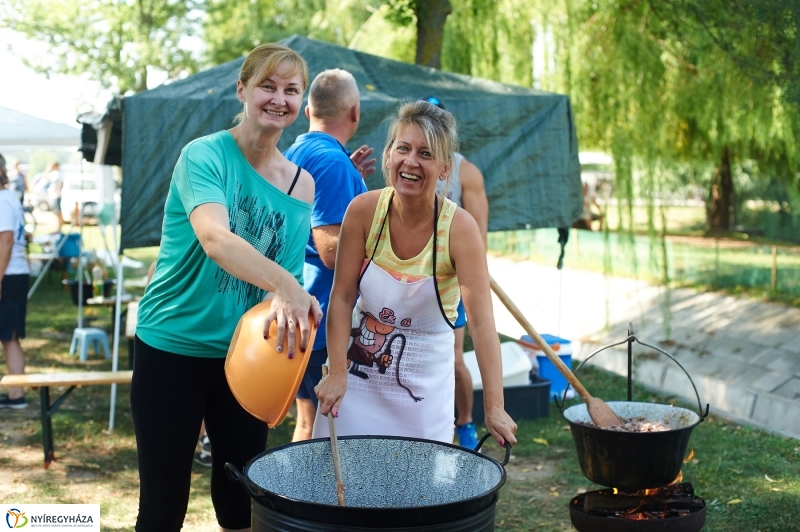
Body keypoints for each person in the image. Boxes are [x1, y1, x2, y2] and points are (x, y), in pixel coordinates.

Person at [130, 43, 322, 532]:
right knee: (163, 506)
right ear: (243, 90)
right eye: (268, 86)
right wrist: (286, 287)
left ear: (301, 103)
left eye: (291, 90)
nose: (279, 99)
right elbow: (216, 239)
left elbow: (285, 282)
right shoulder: (203, 155)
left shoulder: (302, 184)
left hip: (244, 358)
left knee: (241, 503)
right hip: (171, 346)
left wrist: (294, 332)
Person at [312, 100, 517, 449]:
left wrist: (494, 406)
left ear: (443, 169)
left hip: (423, 390)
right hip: (357, 378)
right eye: (403, 148)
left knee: (416, 494)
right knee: (339, 489)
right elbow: (343, 297)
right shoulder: (363, 212)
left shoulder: (459, 229)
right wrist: (337, 372)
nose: (411, 161)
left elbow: (482, 324)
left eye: (425, 153)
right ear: (388, 155)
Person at [283, 69, 375, 442]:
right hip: (321, 319)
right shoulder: (333, 164)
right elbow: (332, 251)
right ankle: (302, 501)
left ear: (307, 111)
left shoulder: (299, 150)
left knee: (307, 425)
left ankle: (288, 499)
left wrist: (349, 176)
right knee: (324, 434)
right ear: (355, 112)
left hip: (301, 311)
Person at [424, 96, 489, 450]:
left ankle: (464, 422)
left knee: (454, 359)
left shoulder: (467, 172)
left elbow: (479, 235)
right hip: (412, 278)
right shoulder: (409, 161)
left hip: (450, 278)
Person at [0, 153, 29, 410]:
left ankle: (16, 394)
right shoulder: (9, 198)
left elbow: (6, 241)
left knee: (9, 335)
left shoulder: (2, 200)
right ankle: (14, 392)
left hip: (8, 275)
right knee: (9, 335)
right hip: (13, 273)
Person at [46, 162, 64, 231]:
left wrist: (59, 191)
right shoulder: (54, 174)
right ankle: (59, 227)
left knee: (58, 211)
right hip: (53, 195)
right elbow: (46, 176)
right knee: (56, 212)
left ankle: (60, 227)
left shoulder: (60, 174)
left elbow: (62, 183)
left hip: (57, 195)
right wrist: (47, 168)